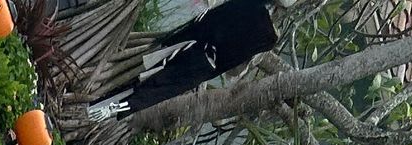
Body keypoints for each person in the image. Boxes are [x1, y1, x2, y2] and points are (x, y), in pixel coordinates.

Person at [83, 0, 278, 121]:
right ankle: (99, 110)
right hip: (202, 64)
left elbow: (208, 19)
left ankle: (97, 108)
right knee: (152, 89)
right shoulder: (268, 37)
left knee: (145, 78)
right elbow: (234, 71)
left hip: (188, 44)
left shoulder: (247, 6)